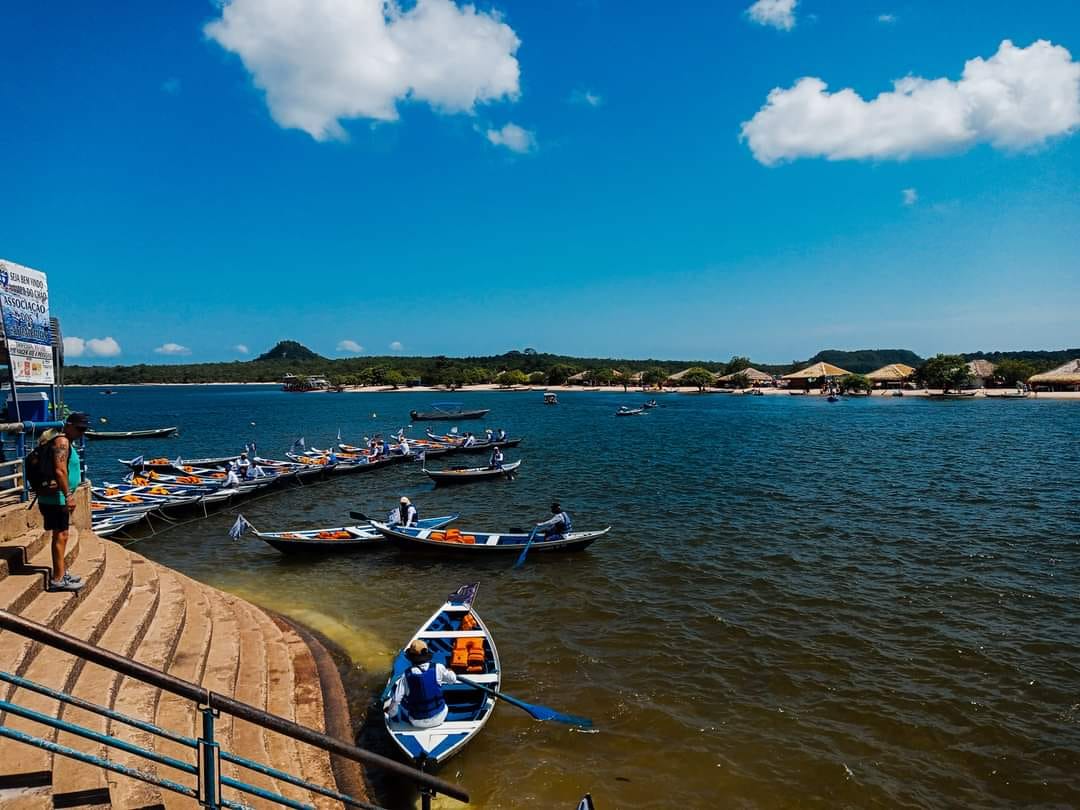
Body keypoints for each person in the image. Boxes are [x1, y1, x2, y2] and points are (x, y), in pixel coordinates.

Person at [37, 412, 89, 592]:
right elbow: (60, 471)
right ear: (68, 425)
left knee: (62, 535)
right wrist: (68, 495)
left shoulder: (66, 442)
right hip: (57, 497)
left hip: (57, 497)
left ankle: (61, 572)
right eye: (79, 428)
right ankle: (58, 580)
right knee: (61, 536)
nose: (81, 432)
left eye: (84, 429)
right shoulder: (62, 442)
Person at [383, 640, 458, 728]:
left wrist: (391, 714)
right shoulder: (439, 667)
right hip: (440, 718)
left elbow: (396, 700)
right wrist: (450, 671)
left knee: (397, 700)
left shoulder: (406, 675)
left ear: (411, 657)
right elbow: (453, 680)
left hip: (416, 721)